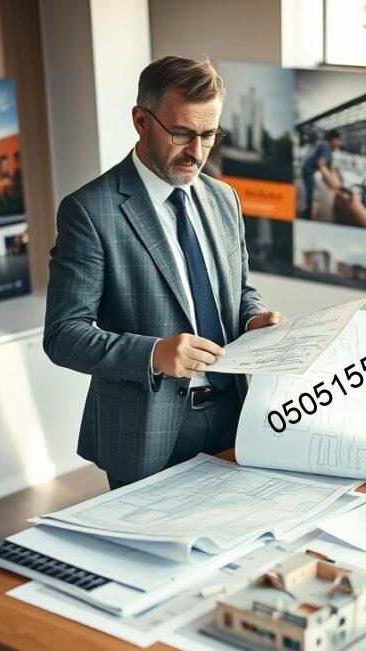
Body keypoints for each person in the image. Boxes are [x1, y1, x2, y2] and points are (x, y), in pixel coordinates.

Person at [43, 56, 283, 489]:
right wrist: (153, 354)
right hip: (145, 431)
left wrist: (253, 318)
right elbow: (63, 335)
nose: (196, 152)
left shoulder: (223, 197)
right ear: (140, 120)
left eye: (208, 135)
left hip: (235, 412)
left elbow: (238, 289)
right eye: (181, 133)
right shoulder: (89, 212)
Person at [299, 129, 342, 219]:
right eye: (338, 140)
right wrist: (334, 186)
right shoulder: (325, 146)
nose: (340, 143)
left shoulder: (329, 151)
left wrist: (339, 183)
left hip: (310, 170)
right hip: (307, 170)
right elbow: (321, 164)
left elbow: (332, 169)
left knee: (314, 191)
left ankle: (308, 211)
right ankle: (307, 214)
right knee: (311, 192)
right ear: (333, 140)